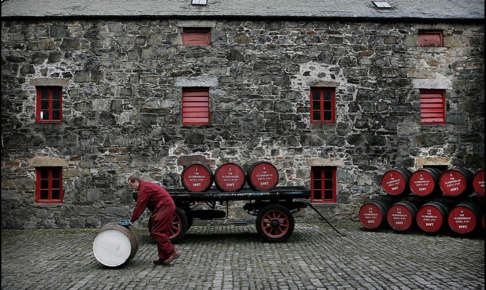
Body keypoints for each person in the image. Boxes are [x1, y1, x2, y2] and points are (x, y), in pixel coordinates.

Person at [121, 175, 180, 265]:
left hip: (165, 207)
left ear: (136, 182)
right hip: (165, 207)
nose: (131, 187)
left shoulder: (144, 189)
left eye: (131, 184)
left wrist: (132, 220)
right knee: (161, 232)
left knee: (157, 232)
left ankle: (171, 252)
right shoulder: (146, 186)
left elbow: (140, 206)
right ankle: (163, 257)